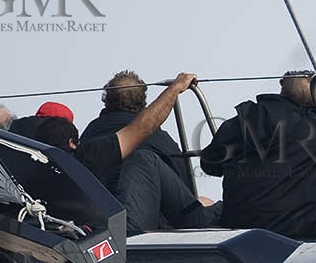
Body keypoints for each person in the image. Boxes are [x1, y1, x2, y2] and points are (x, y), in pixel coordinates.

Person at [34, 72, 213, 232]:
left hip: (95, 223)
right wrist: (174, 89)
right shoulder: (95, 150)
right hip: (142, 228)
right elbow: (142, 128)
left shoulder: (85, 143)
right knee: (211, 205)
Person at [200, 71, 316, 237]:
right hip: (298, 227)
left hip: (239, 224)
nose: (303, 72)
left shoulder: (242, 120)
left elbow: (210, 165)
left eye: (307, 74)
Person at [78, 71, 187, 192]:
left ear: (107, 99)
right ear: (143, 99)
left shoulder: (91, 133)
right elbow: (183, 182)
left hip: (100, 207)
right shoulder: (162, 139)